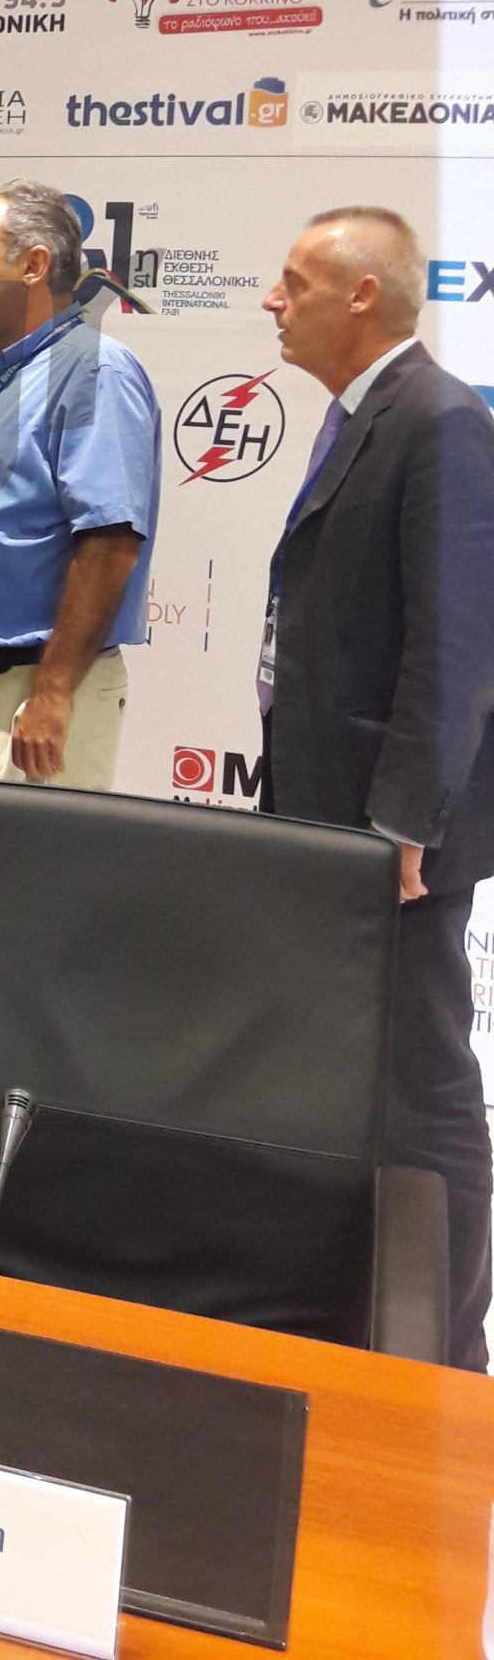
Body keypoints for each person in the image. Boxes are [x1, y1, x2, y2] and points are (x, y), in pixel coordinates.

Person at [261, 205, 494, 1371]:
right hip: (330, 817)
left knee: (420, 1084)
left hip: (387, 833)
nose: (272, 299)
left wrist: (404, 821)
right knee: (354, 1078)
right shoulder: (369, 414)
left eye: (295, 281)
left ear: (362, 295)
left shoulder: (440, 421)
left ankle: (443, 1351)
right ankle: (356, 1317)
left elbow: (457, 644)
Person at [0, 181, 160, 789]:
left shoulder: (93, 369)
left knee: (35, 856)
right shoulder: (3, 369)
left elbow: (110, 542)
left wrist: (52, 693)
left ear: (33, 266)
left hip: (35, 695)